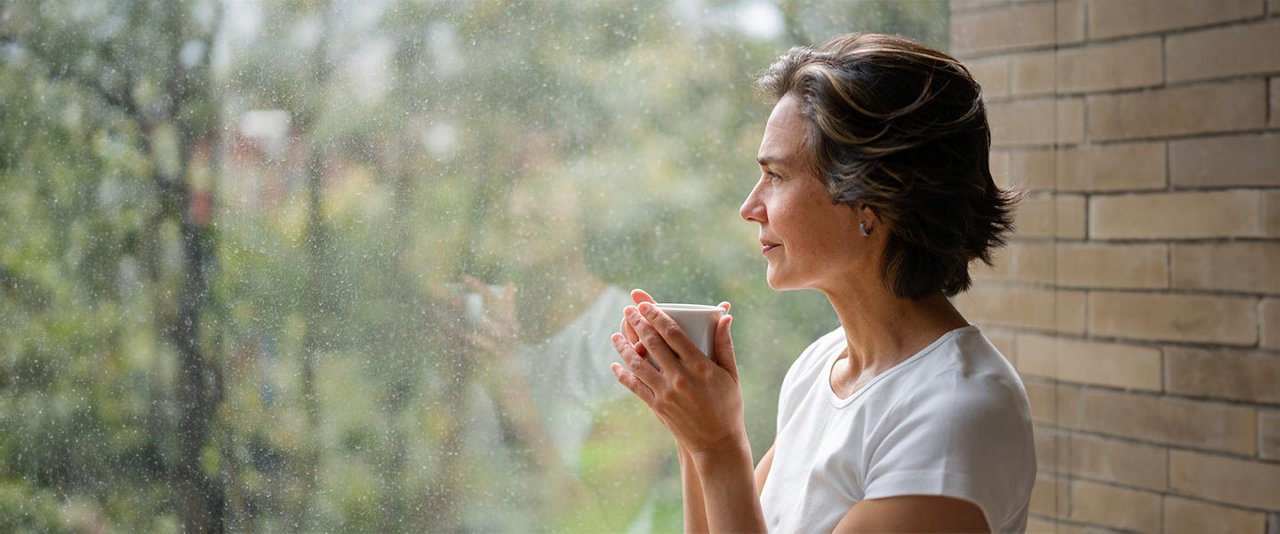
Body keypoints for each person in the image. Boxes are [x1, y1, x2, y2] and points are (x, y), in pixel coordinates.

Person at [610, 33, 1035, 532]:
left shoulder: (957, 416)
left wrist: (719, 446)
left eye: (777, 176)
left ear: (873, 199)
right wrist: (692, 432)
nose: (750, 207)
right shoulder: (820, 367)